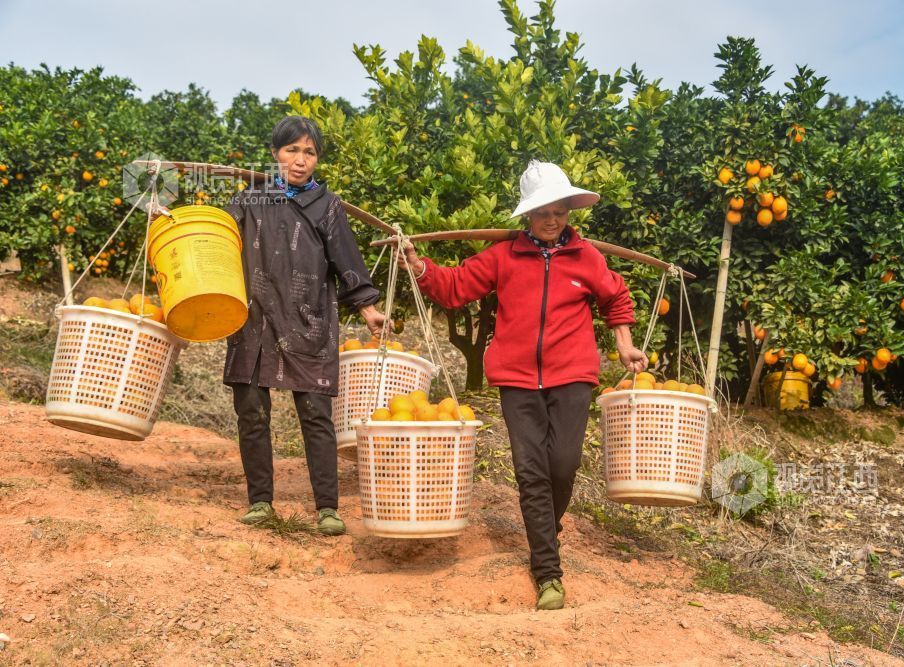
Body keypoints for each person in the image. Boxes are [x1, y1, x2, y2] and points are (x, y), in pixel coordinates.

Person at [398, 160, 647, 609]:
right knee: (531, 471)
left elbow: (616, 297)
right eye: (542, 212)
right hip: (516, 379)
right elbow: (454, 288)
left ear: (570, 210)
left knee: (563, 465)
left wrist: (625, 345)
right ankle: (548, 572)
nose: (552, 220)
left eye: (560, 211)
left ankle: (545, 529)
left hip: (572, 374)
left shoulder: (587, 257)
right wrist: (419, 268)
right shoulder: (503, 256)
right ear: (527, 216)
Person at [224, 116, 386, 535]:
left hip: (307, 319)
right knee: (252, 413)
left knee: (316, 414)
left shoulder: (326, 206)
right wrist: (168, 217)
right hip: (254, 319)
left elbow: (345, 258)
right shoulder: (251, 198)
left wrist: (368, 307)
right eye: (291, 150)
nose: (300, 160)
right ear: (276, 153)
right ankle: (260, 501)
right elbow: (216, 237)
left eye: (309, 152)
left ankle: (327, 508)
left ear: (317, 160)